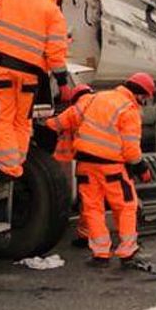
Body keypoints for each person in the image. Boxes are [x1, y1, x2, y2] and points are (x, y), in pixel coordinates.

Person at [0, 0, 73, 178]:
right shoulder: (54, 14)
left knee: (4, 119)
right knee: (22, 122)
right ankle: (17, 166)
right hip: (30, 77)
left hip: (3, 70)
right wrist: (63, 84)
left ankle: (9, 169)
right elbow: (55, 55)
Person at [60, 73, 155, 268]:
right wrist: (141, 168)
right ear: (140, 94)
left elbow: (69, 118)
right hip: (111, 167)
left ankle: (100, 253)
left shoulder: (97, 97)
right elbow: (130, 150)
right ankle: (127, 252)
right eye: (145, 98)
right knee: (127, 206)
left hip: (85, 166)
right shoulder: (129, 110)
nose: (144, 102)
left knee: (93, 209)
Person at [47, 83, 96, 247]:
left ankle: (87, 237)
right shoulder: (102, 105)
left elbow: (54, 125)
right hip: (111, 160)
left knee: (89, 201)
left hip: (88, 163)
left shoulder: (78, 108)